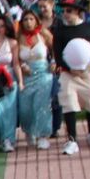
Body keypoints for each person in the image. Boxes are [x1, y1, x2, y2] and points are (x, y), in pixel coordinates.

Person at [52, 0, 90, 155]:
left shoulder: (89, 27)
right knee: (69, 102)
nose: (65, 14)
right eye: (63, 11)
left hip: (87, 72)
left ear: (77, 12)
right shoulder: (60, 31)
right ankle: (72, 139)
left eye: (69, 11)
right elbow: (57, 55)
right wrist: (69, 68)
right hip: (68, 73)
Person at [16, 9, 54, 150]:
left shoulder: (43, 34)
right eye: (25, 20)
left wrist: (54, 61)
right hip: (26, 75)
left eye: (31, 19)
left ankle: (43, 135)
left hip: (43, 72)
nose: (28, 22)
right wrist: (22, 65)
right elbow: (16, 58)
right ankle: (29, 129)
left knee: (42, 104)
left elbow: (54, 46)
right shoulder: (18, 37)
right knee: (26, 108)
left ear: (36, 20)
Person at [0, 13, 22, 154]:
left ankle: (8, 139)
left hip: (8, 78)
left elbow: (16, 64)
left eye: (2, 26)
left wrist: (20, 82)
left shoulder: (12, 43)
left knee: (8, 111)